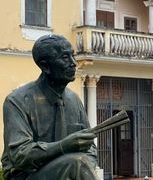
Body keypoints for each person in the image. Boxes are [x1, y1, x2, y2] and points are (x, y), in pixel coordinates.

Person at [2, 35, 98, 180]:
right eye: (65, 58)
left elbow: (90, 148)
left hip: (68, 170)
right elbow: (19, 155)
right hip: (27, 175)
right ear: (45, 66)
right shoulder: (17, 101)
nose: (73, 63)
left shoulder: (74, 100)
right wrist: (64, 146)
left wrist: (84, 164)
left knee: (79, 163)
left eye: (73, 56)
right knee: (77, 163)